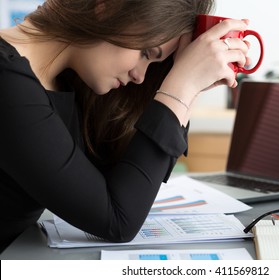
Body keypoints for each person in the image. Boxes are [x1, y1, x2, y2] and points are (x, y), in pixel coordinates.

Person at [0, 0, 250, 253]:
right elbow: (117, 220)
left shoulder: (62, 81)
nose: (140, 76)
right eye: (146, 53)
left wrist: (188, 81)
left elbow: (122, 188)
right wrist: (182, 88)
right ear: (107, 7)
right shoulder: (6, 81)